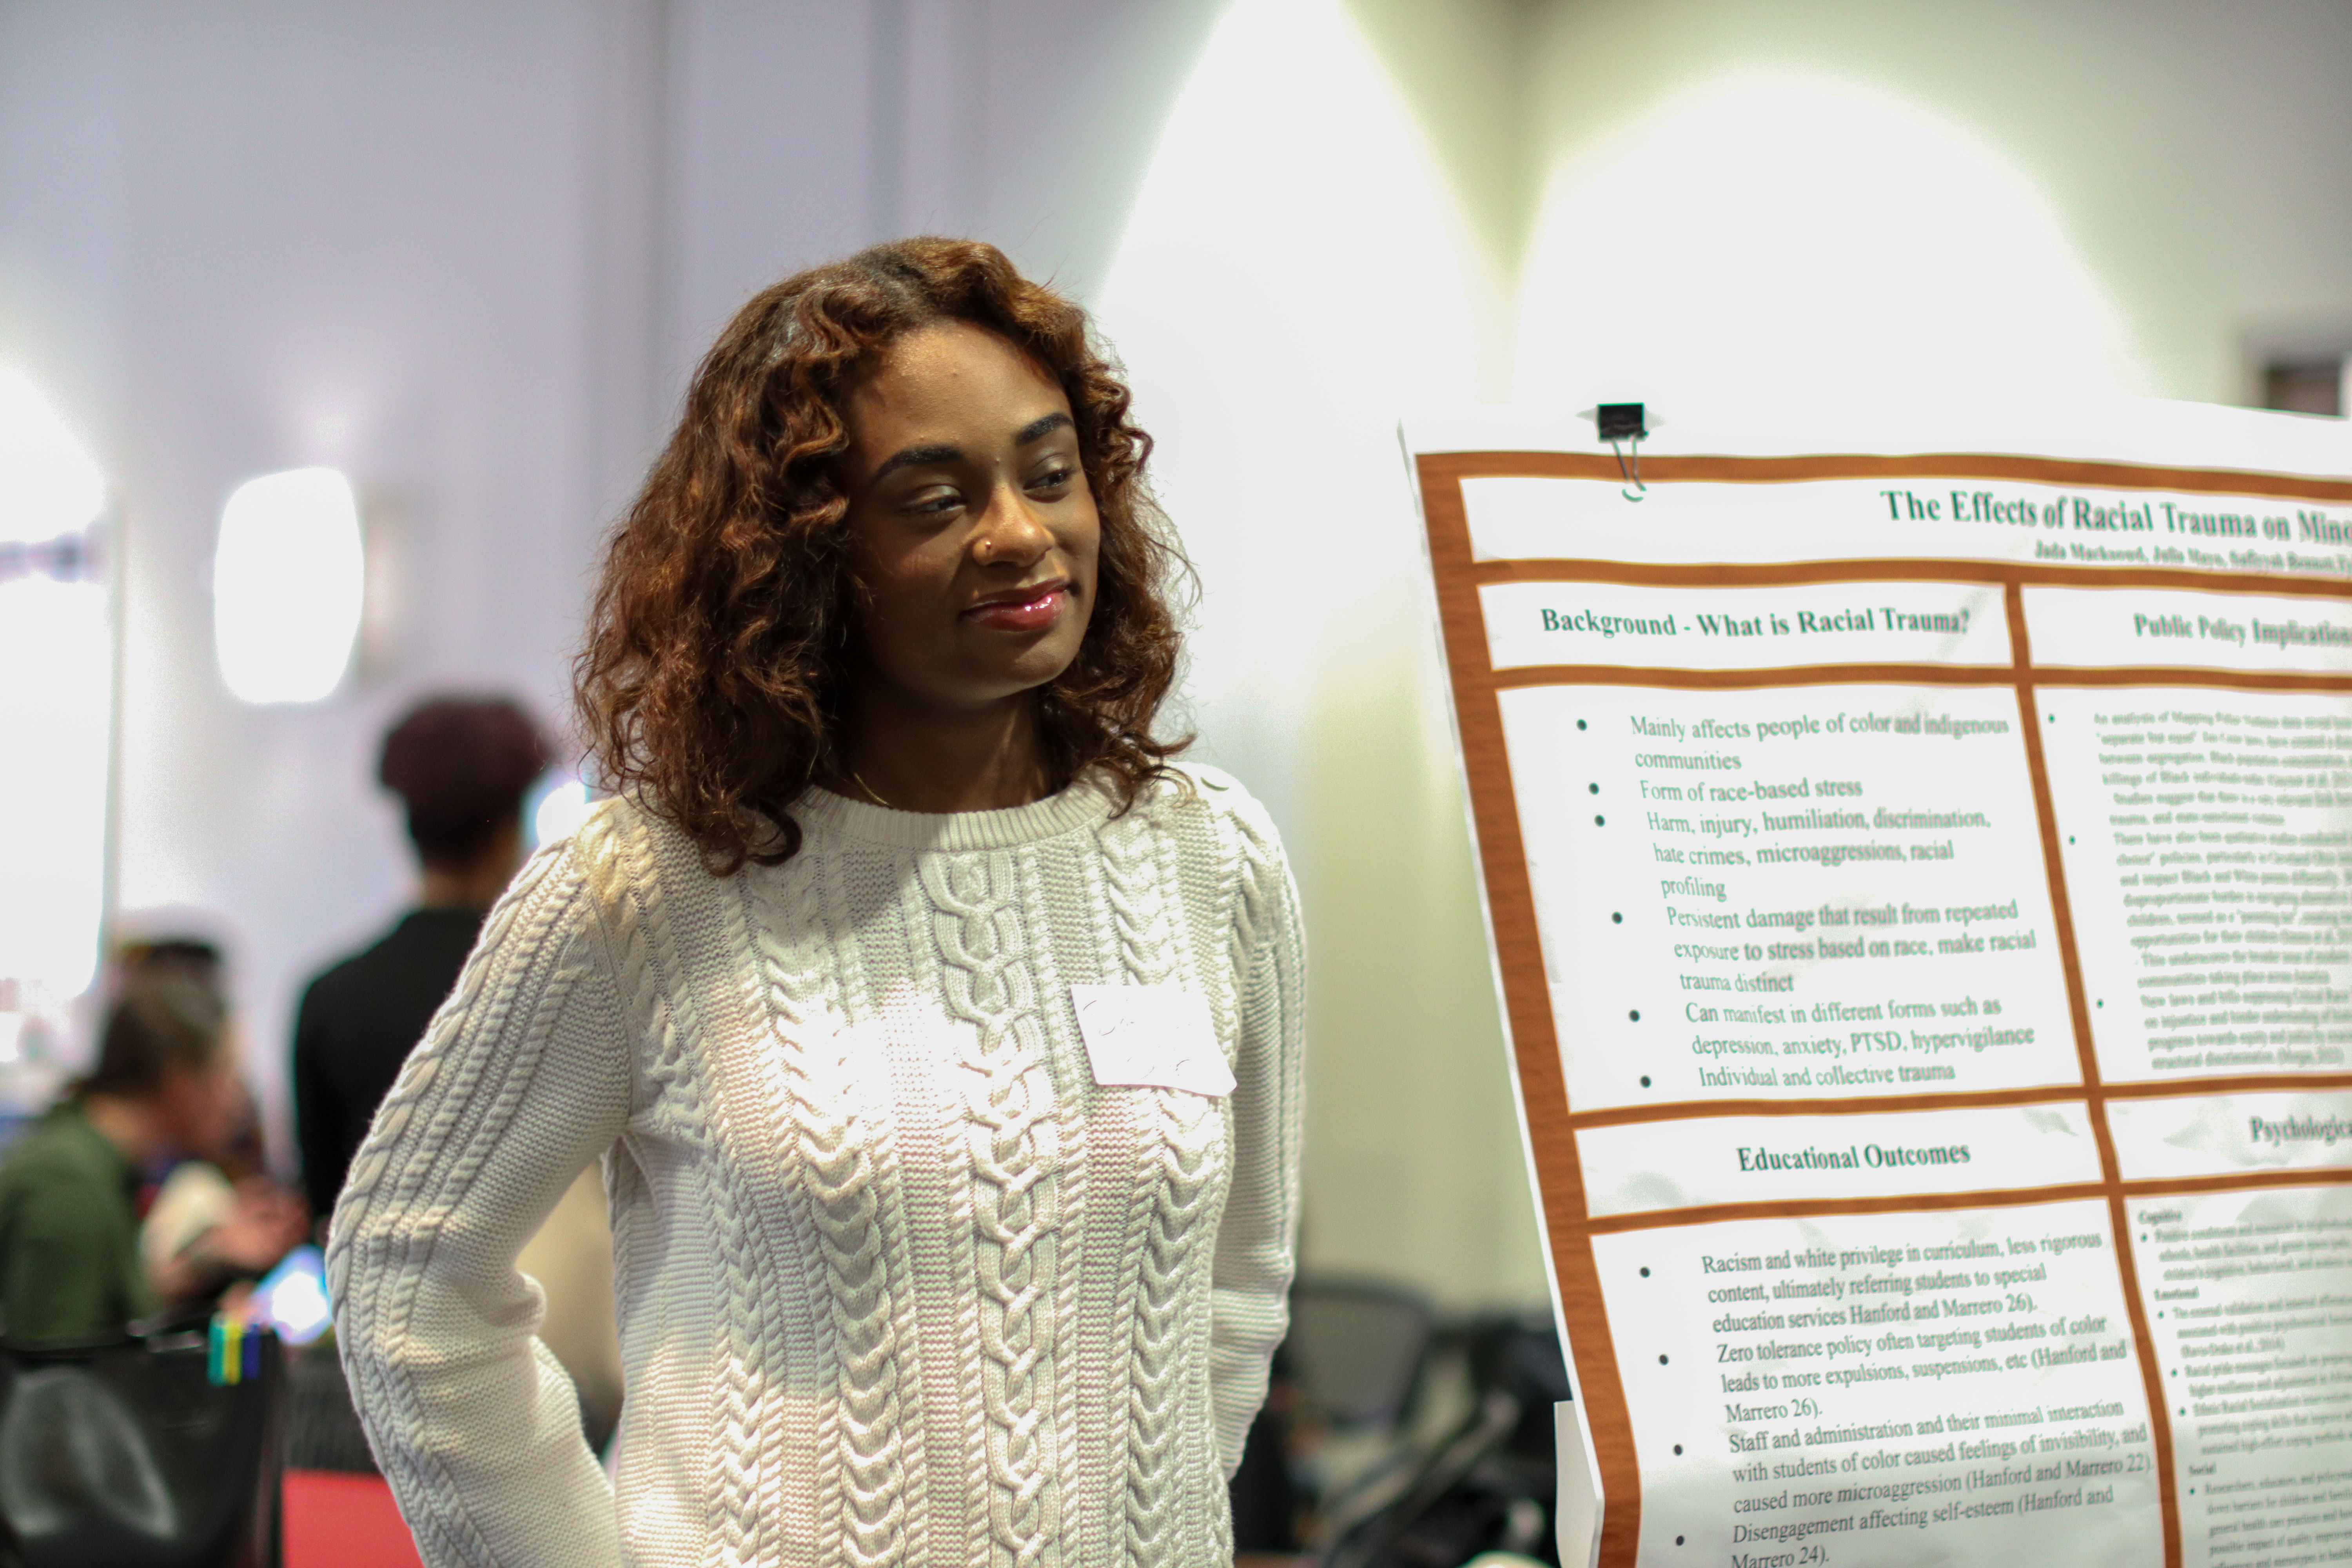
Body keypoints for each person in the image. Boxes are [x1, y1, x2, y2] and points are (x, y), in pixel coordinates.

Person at [328, 237, 1307, 1568]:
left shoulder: (1212, 858)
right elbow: (409, 1277)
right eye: (933, 498)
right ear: (804, 556)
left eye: (1049, 470)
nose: (1020, 533)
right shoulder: (645, 887)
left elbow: (1234, 1291)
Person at [292, 697, 547, 1225]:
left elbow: (323, 1208)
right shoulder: (551, 985)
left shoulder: (329, 998)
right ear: (508, 832)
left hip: (375, 1301)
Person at [0, 976, 304, 1343]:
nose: (239, 1101)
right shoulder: (69, 1183)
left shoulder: (94, 1165)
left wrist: (202, 1263)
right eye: (226, 1073)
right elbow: (57, 1379)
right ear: (181, 1082)